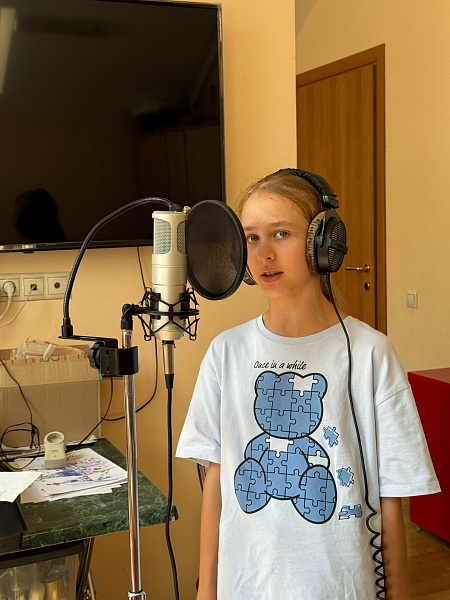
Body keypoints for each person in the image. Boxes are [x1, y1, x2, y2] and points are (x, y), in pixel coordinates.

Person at [176, 169, 440, 600]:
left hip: (340, 586)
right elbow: (216, 484)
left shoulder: (371, 354)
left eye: (281, 233)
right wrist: (207, 590)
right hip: (248, 587)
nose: (264, 253)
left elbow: (391, 499)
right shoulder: (226, 353)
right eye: (252, 238)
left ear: (324, 243)